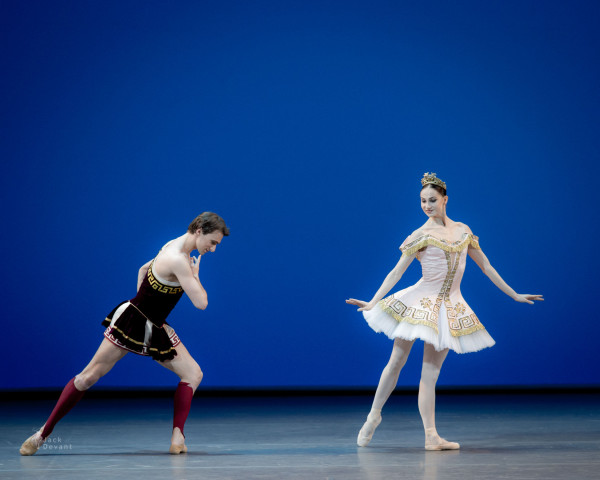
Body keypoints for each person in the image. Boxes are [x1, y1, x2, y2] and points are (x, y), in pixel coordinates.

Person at [346, 173, 543, 450]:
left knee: (430, 374)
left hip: (450, 308)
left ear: (445, 199)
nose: (427, 205)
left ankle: (431, 437)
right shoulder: (421, 234)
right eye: (423, 201)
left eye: (432, 200)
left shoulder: (463, 230)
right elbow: (396, 272)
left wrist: (514, 294)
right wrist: (372, 301)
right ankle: (373, 415)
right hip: (420, 302)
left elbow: (486, 265)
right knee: (397, 361)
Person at [20, 212, 230, 456]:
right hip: (136, 320)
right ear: (198, 230)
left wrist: (144, 306)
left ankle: (177, 437)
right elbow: (201, 303)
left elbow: (143, 269)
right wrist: (194, 276)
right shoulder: (180, 260)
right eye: (212, 242)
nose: (213, 249)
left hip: (150, 322)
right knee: (88, 376)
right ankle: (42, 434)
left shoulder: (171, 245)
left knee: (193, 373)